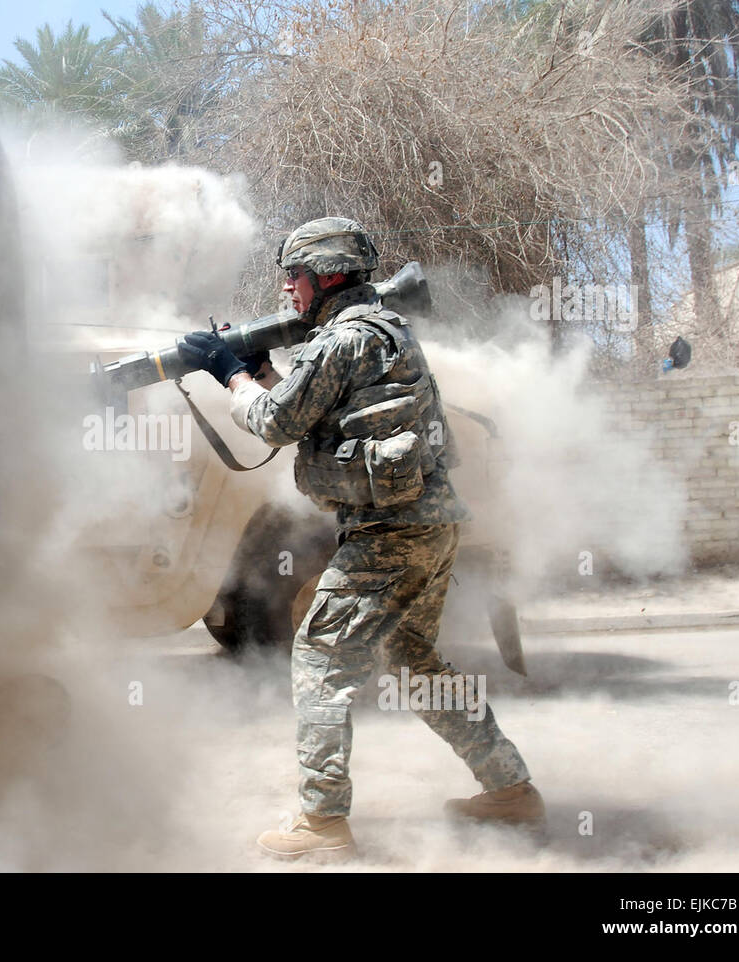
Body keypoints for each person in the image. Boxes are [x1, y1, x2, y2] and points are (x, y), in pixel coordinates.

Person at [178, 217, 543, 859]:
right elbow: (308, 409)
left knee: (320, 660)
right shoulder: (380, 331)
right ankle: (510, 788)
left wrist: (228, 371)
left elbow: (271, 422)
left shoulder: (339, 342)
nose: (287, 288)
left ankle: (322, 824)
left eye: (294, 276)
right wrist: (262, 370)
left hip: (387, 532)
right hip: (431, 525)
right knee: (416, 661)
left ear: (326, 275)